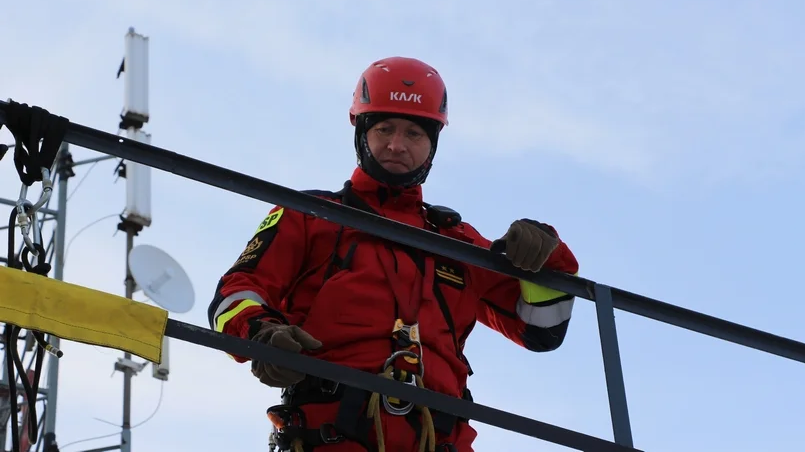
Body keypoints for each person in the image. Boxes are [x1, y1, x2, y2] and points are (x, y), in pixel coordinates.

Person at [207, 57, 580, 452]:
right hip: (331, 435)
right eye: (384, 129)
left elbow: (540, 329)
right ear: (361, 133)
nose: (397, 144)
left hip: (440, 439)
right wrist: (262, 334)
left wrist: (548, 256)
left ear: (432, 144)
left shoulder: (457, 241)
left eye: (414, 133)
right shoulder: (310, 214)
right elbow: (234, 294)